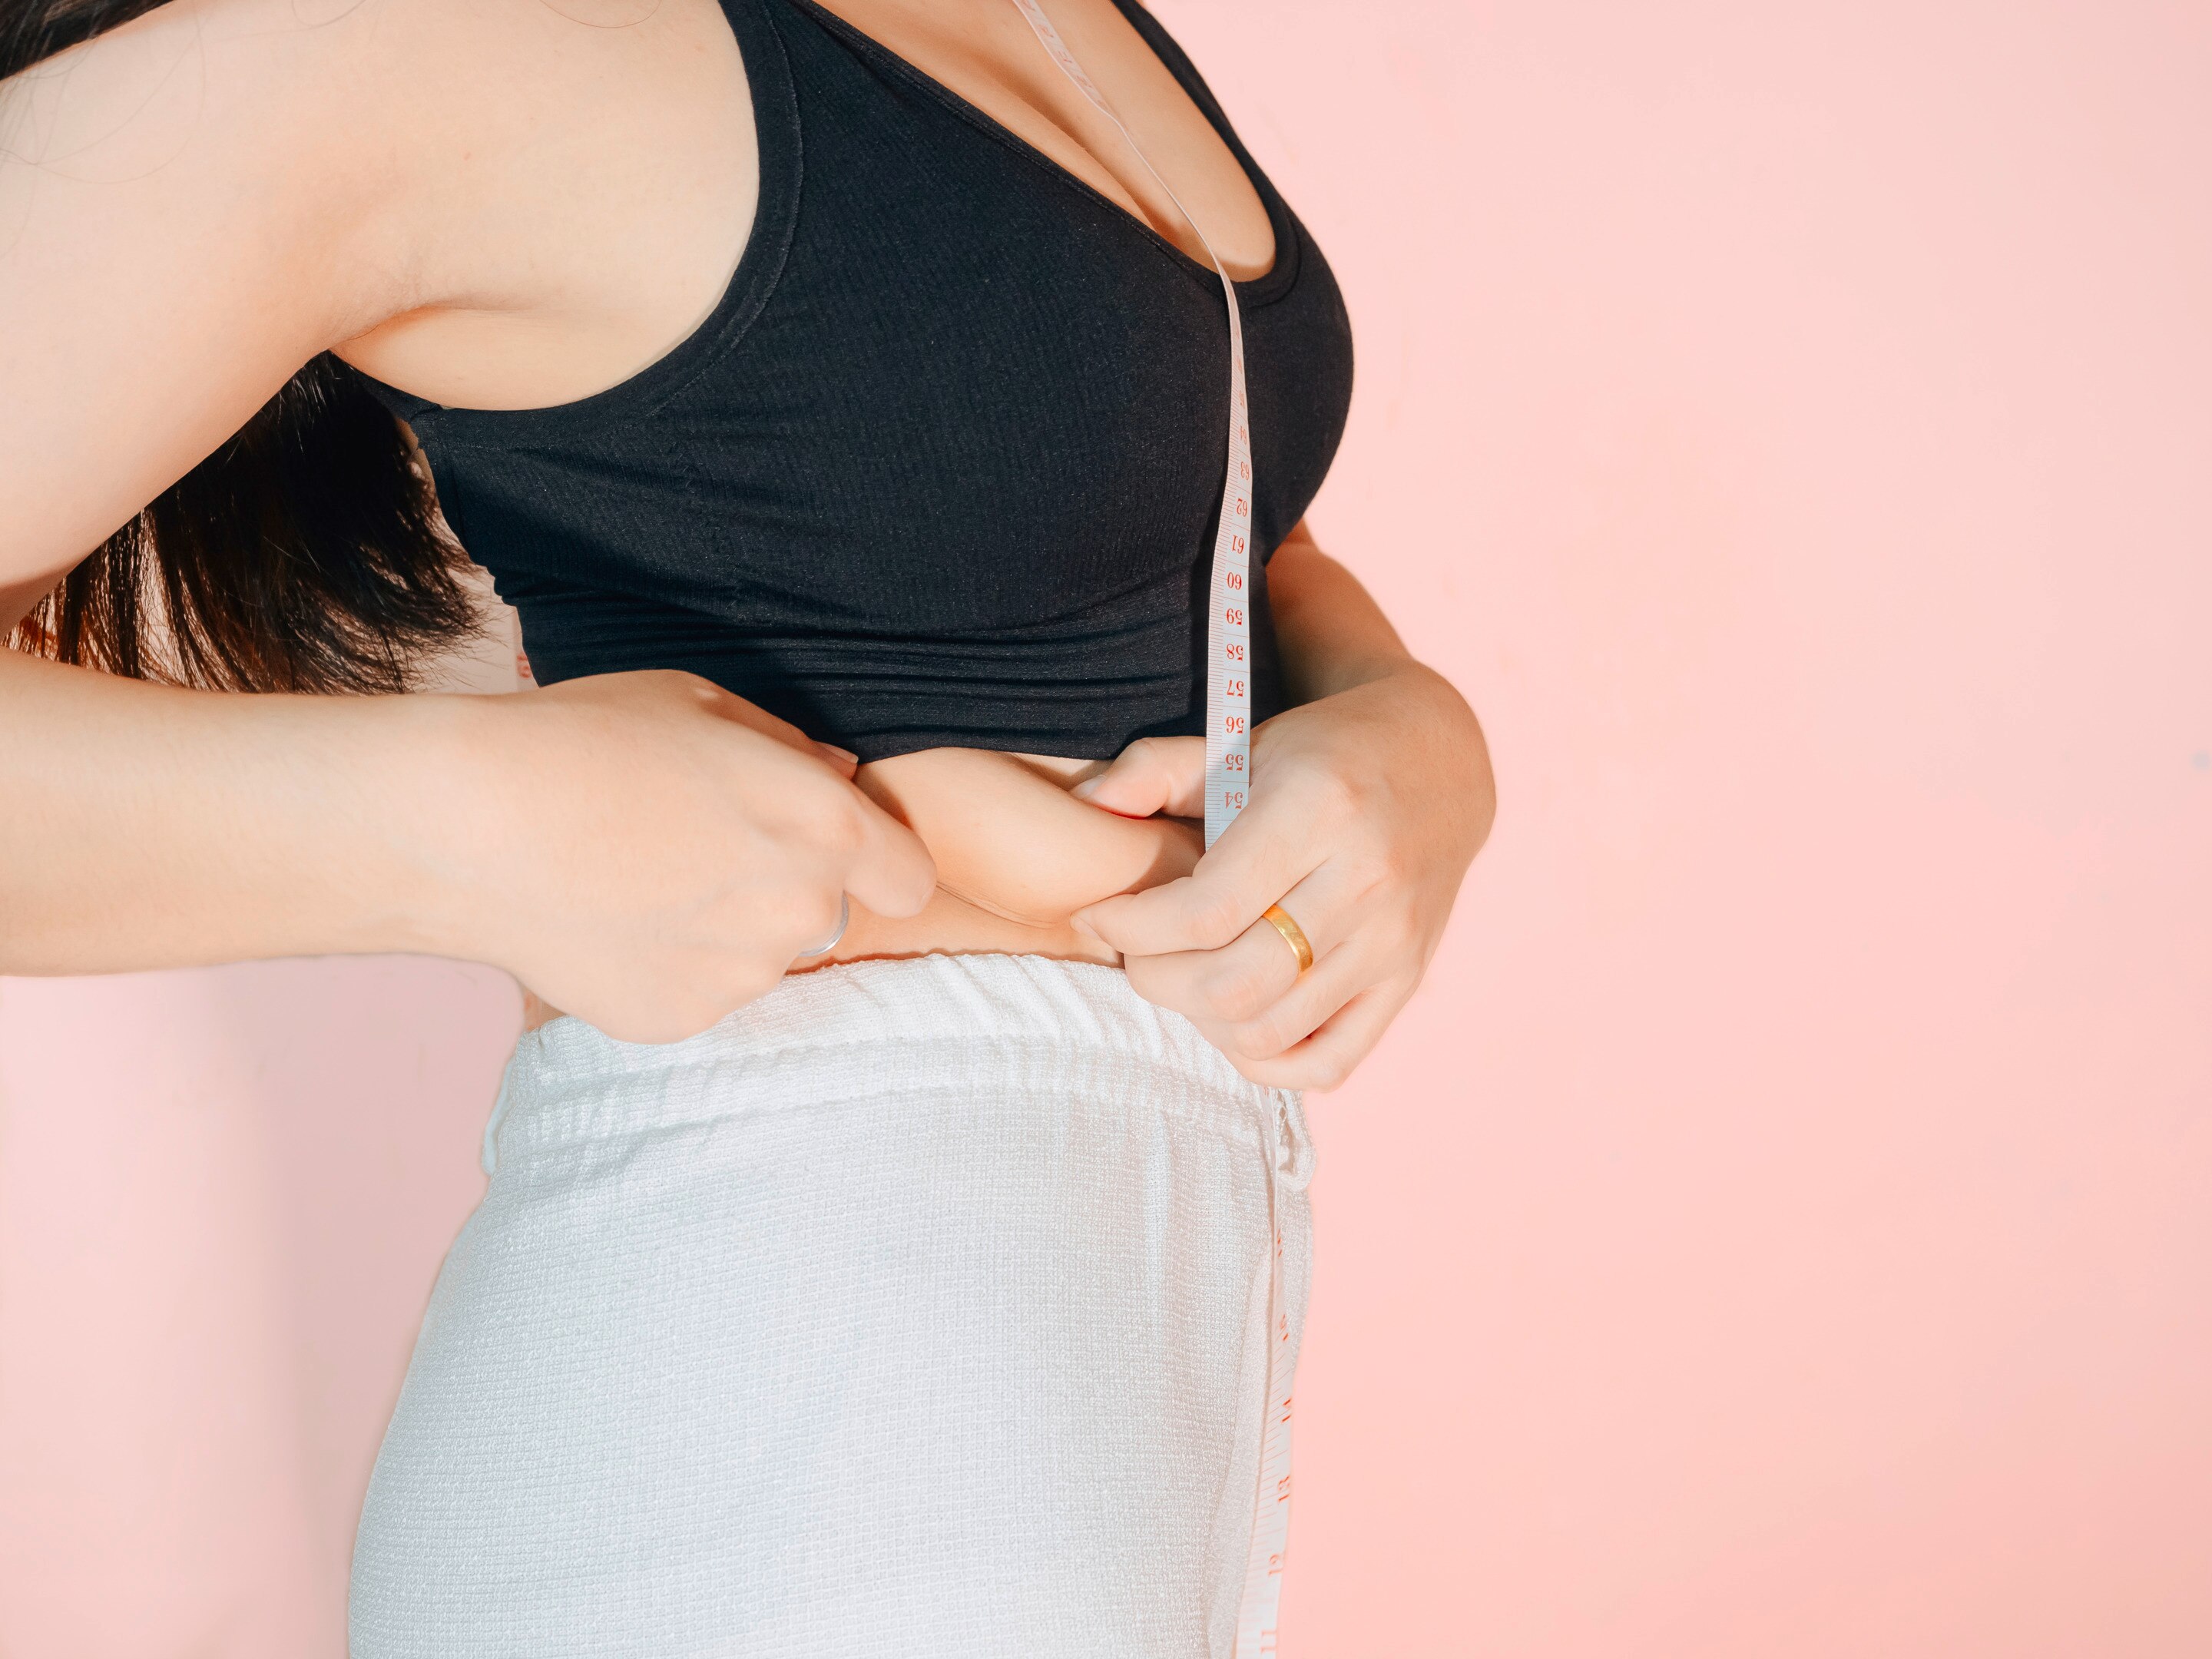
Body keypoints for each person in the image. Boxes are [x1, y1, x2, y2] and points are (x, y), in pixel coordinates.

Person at [0, 0, 1495, 1651]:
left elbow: (1155, 497)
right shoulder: (395, 43)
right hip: (767, 1447)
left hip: (1126, 1417)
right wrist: (467, 825)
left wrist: (1401, 712)